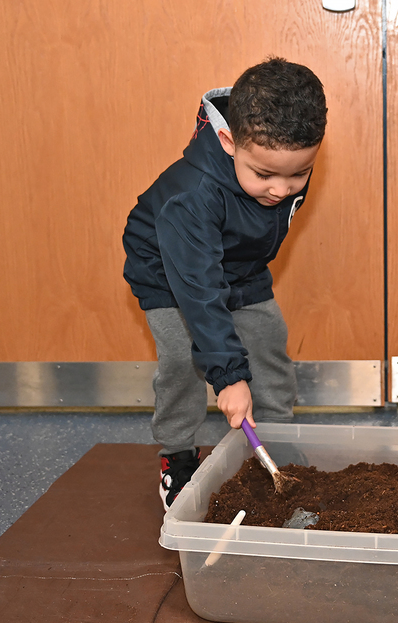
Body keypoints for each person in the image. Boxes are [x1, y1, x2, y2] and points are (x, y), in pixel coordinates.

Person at [123, 57, 327, 510]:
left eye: (300, 173)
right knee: (183, 359)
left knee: (268, 342)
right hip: (170, 270)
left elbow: (273, 186)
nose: (282, 190)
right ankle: (176, 456)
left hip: (238, 262)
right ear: (227, 141)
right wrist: (229, 377)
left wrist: (239, 366)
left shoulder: (280, 162)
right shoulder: (192, 196)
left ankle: (273, 444)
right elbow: (199, 290)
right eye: (265, 175)